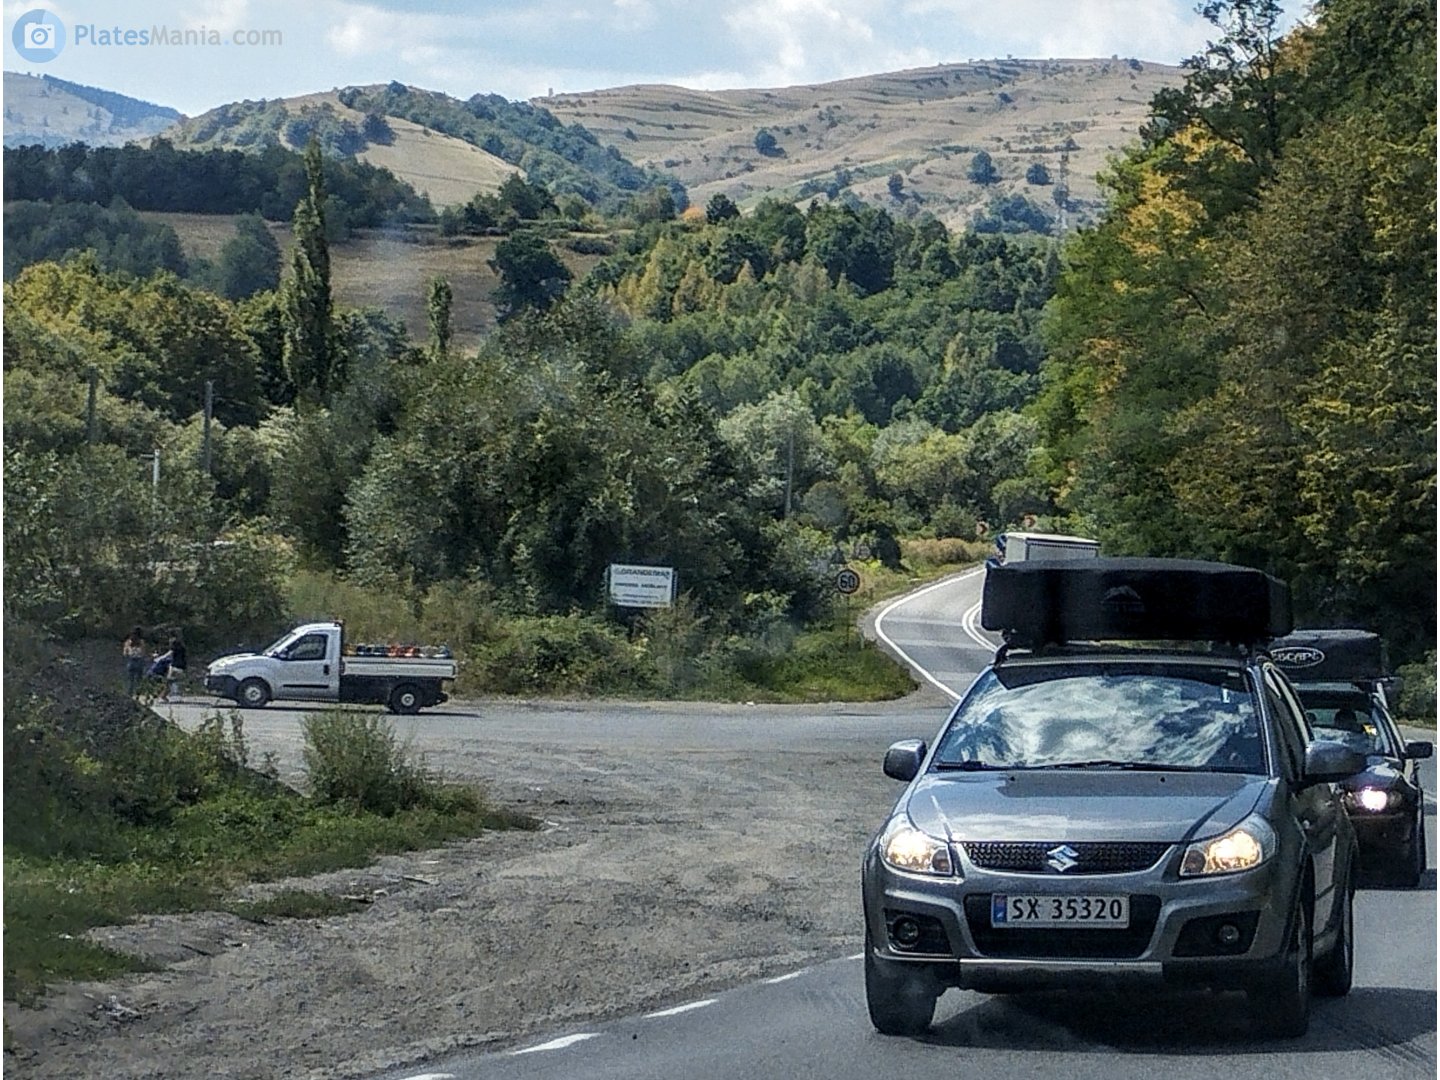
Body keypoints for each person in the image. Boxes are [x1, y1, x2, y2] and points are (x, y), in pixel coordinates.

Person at [160, 631, 187, 702]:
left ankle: (165, 695)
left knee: (169, 681)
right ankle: (172, 695)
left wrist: (160, 658)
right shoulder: (182, 647)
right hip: (181, 666)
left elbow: (170, 653)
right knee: (177, 681)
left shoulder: (175, 645)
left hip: (175, 665)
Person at [123, 627, 147, 696]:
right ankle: (138, 694)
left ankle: (129, 694)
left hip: (131, 661)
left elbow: (125, 654)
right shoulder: (141, 642)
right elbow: (143, 653)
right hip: (139, 661)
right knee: (139, 680)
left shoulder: (128, 642)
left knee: (130, 680)